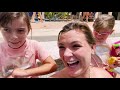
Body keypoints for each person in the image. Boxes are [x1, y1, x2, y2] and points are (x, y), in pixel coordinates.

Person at [0, 12, 57, 78]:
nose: (14, 36)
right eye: (6, 30)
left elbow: (52, 65)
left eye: (20, 30)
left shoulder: (34, 45)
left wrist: (25, 72)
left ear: (28, 30)